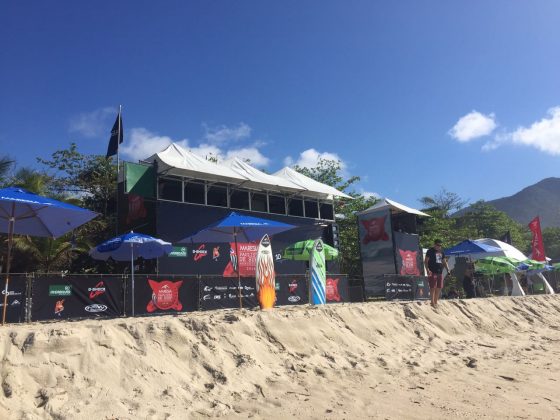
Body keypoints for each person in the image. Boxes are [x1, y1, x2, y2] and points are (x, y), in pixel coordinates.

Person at [424, 239, 450, 306]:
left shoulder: (441, 252)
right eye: (438, 245)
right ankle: (432, 302)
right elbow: (426, 261)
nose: (439, 246)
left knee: (439, 287)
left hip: (440, 272)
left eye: (440, 245)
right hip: (432, 271)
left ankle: (435, 302)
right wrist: (427, 270)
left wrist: (448, 269)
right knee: (432, 287)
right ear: (434, 244)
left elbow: (444, 262)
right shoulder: (430, 251)